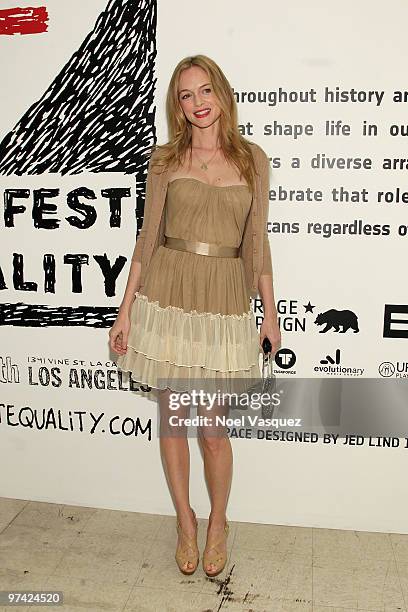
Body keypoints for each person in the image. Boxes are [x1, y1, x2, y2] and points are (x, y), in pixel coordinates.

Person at [109, 54, 281, 577]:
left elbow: (257, 244)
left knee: (211, 427)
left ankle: (219, 522)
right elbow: (146, 239)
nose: (197, 103)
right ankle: (185, 521)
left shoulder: (253, 159)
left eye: (205, 91)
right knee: (173, 420)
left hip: (224, 298)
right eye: (186, 96)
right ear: (178, 107)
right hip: (169, 293)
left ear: (222, 94)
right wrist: (125, 311)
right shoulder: (164, 161)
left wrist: (269, 313)